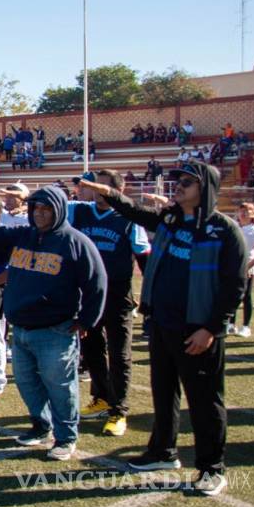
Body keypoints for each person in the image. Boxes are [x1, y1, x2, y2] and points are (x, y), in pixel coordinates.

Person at [79, 162, 246, 496]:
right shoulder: (170, 219)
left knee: (205, 401)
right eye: (177, 181)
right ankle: (163, 452)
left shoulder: (223, 230)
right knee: (163, 391)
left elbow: (235, 286)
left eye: (187, 182)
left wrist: (211, 329)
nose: (178, 186)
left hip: (198, 331)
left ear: (206, 188)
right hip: (163, 325)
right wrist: (108, 193)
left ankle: (212, 467)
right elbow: (136, 212)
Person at [0, 186, 107, 461]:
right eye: (36, 208)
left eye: (46, 209)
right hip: (20, 328)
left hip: (55, 330)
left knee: (60, 385)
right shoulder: (24, 234)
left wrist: (86, 321)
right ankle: (41, 426)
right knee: (27, 383)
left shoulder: (75, 241)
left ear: (59, 210)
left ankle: (66, 437)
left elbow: (97, 283)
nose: (40, 214)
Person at [69, 170, 150, 437]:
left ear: (118, 189)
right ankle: (102, 397)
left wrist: (149, 297)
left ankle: (119, 410)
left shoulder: (129, 218)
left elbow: (144, 258)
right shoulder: (79, 212)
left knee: (120, 354)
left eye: (101, 186)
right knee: (92, 349)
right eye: (94, 186)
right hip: (88, 293)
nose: (95, 190)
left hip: (118, 295)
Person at [231, 202, 254, 338]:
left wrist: (247, 267)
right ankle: (231, 325)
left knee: (246, 297)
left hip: (247, 268)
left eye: (248, 210)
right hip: (231, 267)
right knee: (231, 296)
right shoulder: (234, 226)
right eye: (241, 210)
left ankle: (246, 327)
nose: (244, 213)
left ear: (253, 213)